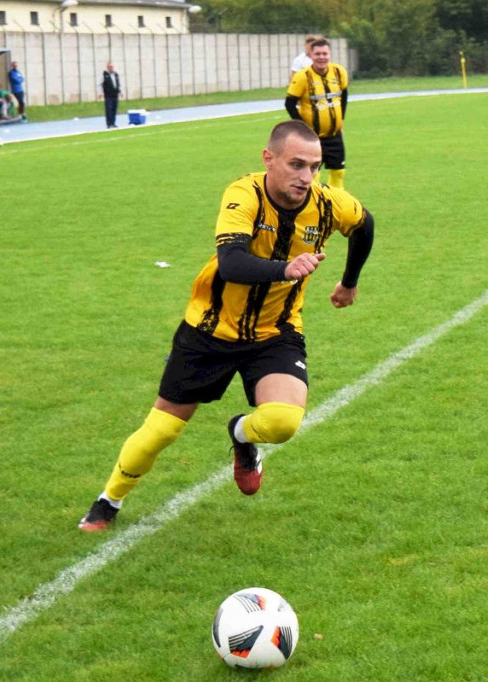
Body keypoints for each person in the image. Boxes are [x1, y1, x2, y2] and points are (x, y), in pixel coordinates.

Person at [78, 120, 375, 531]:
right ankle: (108, 501)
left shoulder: (327, 204)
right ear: (268, 159)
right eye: (296, 165)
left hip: (275, 331)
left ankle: (241, 434)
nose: (306, 177)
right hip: (209, 330)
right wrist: (285, 269)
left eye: (314, 166)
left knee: (283, 422)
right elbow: (232, 263)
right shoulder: (244, 194)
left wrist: (349, 282)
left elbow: (365, 225)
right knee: (160, 431)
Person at [286, 39, 349, 189]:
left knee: (338, 171)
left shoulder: (339, 72)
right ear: (310, 55)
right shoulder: (303, 76)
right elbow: (289, 103)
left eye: (325, 53)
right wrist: (302, 127)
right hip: (313, 137)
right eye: (317, 54)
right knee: (314, 173)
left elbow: (344, 96)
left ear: (330, 54)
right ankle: (314, 205)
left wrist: (342, 120)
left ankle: (335, 203)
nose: (321, 57)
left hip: (334, 134)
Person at [100, 62, 121, 129]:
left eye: (112, 67)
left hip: (115, 94)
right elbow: (99, 84)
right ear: (107, 67)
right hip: (108, 95)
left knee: (114, 109)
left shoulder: (116, 74)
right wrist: (100, 93)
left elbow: (119, 83)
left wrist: (120, 91)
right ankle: (109, 124)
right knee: (109, 109)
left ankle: (113, 123)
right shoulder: (104, 75)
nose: (111, 68)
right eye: (109, 67)